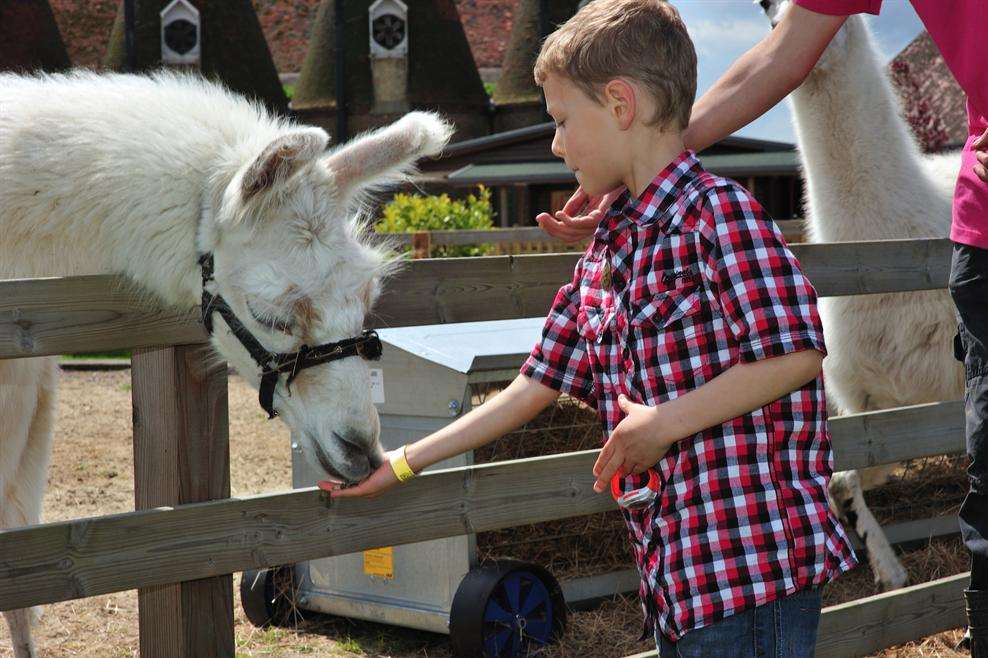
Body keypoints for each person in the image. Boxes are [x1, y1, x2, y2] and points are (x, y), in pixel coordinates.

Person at [320, 1, 856, 655]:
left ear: (620, 105)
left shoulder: (719, 217)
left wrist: (663, 424)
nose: (555, 143)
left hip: (751, 575)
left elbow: (795, 354)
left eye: (563, 120)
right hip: (679, 580)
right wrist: (400, 463)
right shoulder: (606, 251)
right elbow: (532, 386)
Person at [537, 1, 988, 654]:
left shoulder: (722, 222)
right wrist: (639, 160)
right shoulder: (706, 219)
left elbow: (791, 354)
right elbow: (784, 53)